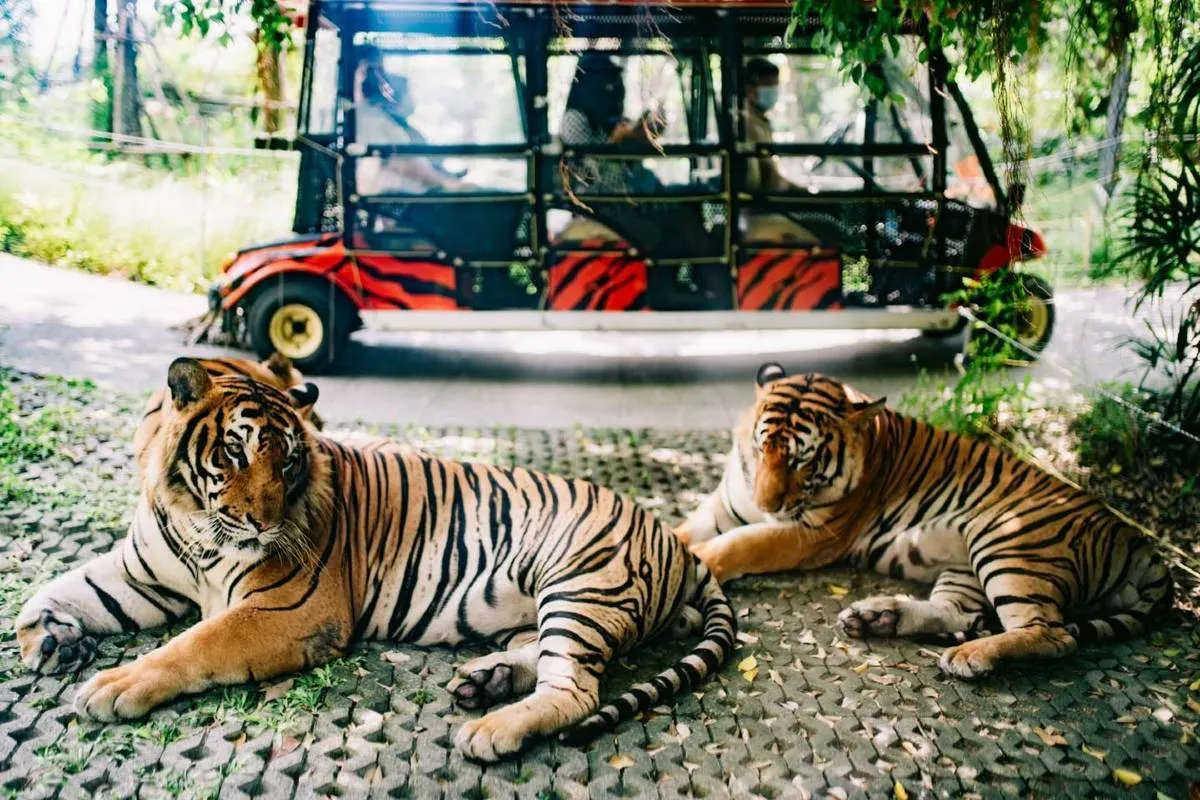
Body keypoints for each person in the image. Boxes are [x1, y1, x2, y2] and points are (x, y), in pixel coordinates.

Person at [353, 45, 466, 196]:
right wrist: (448, 184)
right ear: (359, 73)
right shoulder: (365, 118)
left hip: (416, 193)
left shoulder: (382, 115)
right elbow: (400, 162)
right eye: (372, 70)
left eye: (381, 70)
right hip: (395, 201)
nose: (380, 78)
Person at [741, 57, 818, 245]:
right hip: (760, 206)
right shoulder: (749, 124)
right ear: (750, 89)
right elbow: (771, 177)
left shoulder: (760, 121)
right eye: (767, 85)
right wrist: (797, 191)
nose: (773, 91)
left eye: (775, 85)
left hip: (767, 201)